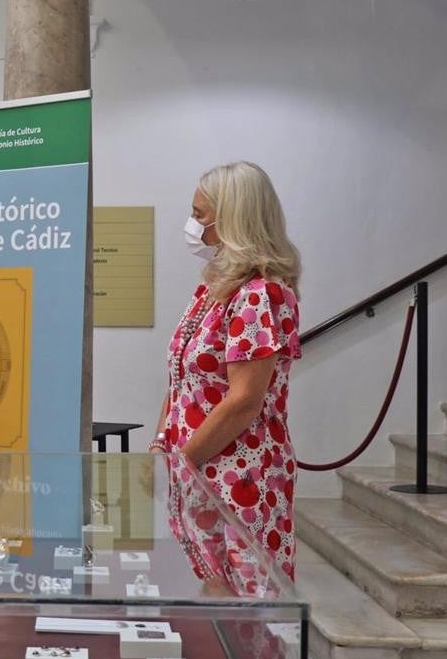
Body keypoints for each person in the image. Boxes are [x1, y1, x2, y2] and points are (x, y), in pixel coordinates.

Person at [150, 161, 303, 587]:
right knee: (212, 587)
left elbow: (243, 401)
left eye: (201, 215)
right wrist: (165, 445)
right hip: (197, 467)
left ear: (233, 219)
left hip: (236, 474)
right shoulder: (215, 289)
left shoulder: (259, 295)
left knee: (244, 595)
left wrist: (185, 460)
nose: (193, 224)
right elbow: (182, 376)